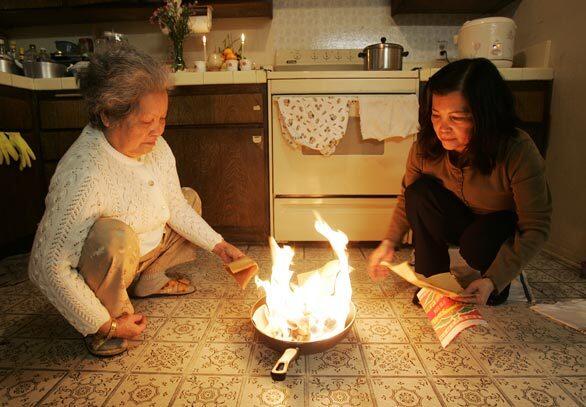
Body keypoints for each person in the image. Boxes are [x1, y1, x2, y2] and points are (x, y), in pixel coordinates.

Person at [28, 44, 244, 356]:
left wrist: (219, 246)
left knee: (188, 199)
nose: (157, 131)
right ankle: (111, 315)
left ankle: (150, 280)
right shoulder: (84, 172)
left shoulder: (157, 147)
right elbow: (46, 266)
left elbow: (175, 206)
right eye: (146, 122)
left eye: (163, 118)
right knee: (116, 237)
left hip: (143, 252)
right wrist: (103, 324)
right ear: (107, 114)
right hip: (109, 259)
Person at [367, 58, 552, 306]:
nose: (442, 128)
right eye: (436, 115)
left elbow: (535, 226)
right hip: (458, 218)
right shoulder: (424, 148)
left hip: (495, 228)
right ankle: (433, 279)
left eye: (456, 117)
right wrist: (389, 242)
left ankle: (493, 280)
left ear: (485, 116)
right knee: (418, 193)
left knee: (479, 244)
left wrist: (494, 280)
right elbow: (407, 198)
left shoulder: (517, 150)